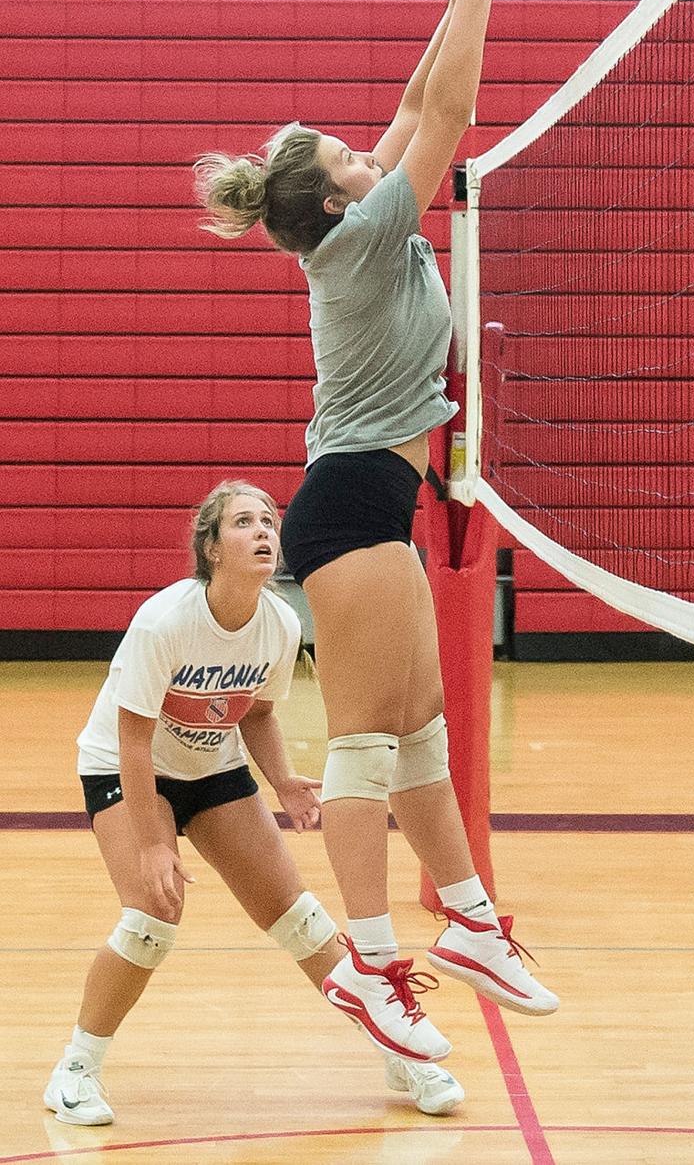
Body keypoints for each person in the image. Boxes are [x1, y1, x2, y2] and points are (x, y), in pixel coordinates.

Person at [194, 0, 558, 1081]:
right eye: (349, 158)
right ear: (339, 198)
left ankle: (470, 920)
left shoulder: (363, 217)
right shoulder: (360, 235)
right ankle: (368, 956)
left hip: (375, 506)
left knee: (419, 736)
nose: (371, 148)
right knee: (361, 748)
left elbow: (409, 111)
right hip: (347, 507)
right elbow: (444, 113)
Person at [44, 481, 464, 1126]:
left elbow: (259, 713)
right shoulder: (166, 621)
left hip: (212, 767)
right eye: (245, 523)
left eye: (270, 520)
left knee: (300, 918)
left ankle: (397, 1048)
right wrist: (153, 841)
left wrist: (285, 781)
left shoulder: (281, 622)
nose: (265, 532)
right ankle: (75, 1069)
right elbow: (132, 736)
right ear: (211, 548)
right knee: (152, 921)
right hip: (128, 768)